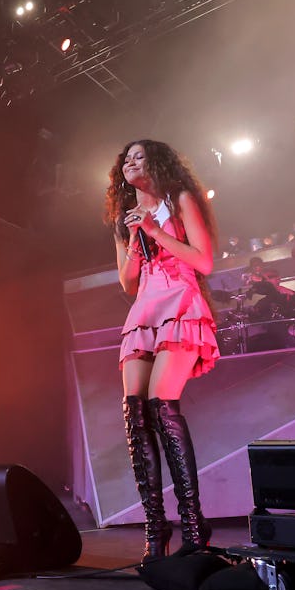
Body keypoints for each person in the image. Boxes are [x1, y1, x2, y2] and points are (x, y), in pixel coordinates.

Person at [104, 139, 219, 563]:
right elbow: (127, 282)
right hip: (145, 306)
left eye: (139, 156)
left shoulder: (180, 199)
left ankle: (193, 523)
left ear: (156, 163)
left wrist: (156, 231)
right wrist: (137, 236)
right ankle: (156, 526)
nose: (130, 163)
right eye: (126, 159)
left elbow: (203, 262)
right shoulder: (124, 218)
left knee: (161, 405)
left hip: (180, 301)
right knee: (134, 412)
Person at [243, 256, 295, 321]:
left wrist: (291, 293)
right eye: (270, 277)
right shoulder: (263, 300)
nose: (276, 278)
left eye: (276, 276)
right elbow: (254, 318)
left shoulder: (284, 292)